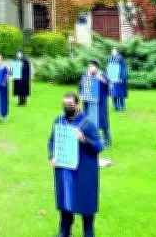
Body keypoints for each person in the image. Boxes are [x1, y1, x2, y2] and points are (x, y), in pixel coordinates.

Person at [48, 92, 104, 237]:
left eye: (70, 105)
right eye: (65, 104)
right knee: (65, 200)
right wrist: (51, 157)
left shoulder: (87, 123)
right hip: (64, 170)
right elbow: (52, 141)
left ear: (77, 105)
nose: (67, 107)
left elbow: (99, 146)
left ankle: (88, 232)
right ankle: (65, 231)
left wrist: (83, 138)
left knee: (86, 201)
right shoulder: (58, 120)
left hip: (83, 171)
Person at [79, 60, 111, 147]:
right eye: (90, 66)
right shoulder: (85, 75)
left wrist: (102, 80)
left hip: (100, 103)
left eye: (93, 66)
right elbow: (80, 87)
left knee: (103, 122)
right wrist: (81, 95)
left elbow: (109, 86)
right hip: (88, 103)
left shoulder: (102, 75)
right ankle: (90, 140)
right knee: (88, 121)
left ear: (96, 67)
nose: (91, 68)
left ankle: (107, 140)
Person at [107, 47, 128, 112]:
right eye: (113, 51)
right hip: (112, 78)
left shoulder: (120, 58)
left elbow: (123, 67)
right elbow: (108, 67)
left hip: (119, 78)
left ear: (117, 51)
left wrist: (122, 77)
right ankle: (116, 106)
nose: (114, 52)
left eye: (115, 51)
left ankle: (122, 106)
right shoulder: (109, 58)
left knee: (120, 93)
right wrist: (108, 77)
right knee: (114, 93)